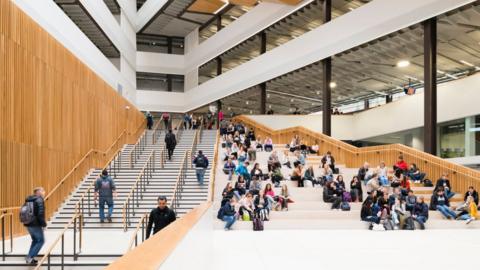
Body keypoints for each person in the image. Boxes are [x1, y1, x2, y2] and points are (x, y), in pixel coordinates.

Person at [23, 187, 47, 265]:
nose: (44, 193)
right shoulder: (39, 200)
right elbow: (40, 214)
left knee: (35, 240)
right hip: (35, 224)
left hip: (28, 223)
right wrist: (43, 224)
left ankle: (30, 257)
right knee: (41, 241)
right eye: (43, 191)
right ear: (38, 192)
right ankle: (30, 257)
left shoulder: (28, 200)